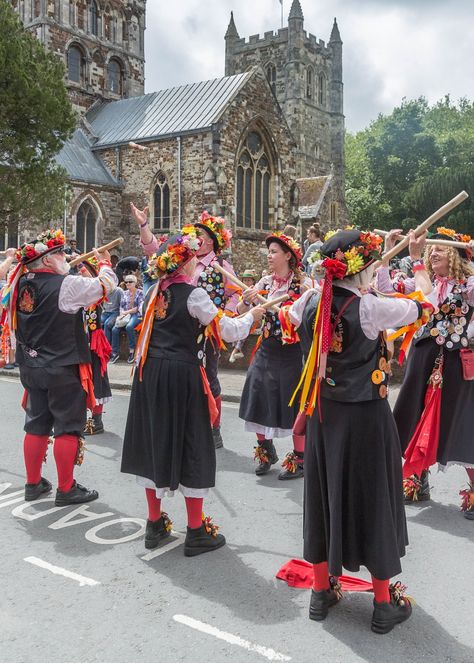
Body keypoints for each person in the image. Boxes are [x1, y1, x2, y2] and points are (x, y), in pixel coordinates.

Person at [291, 229, 433, 634]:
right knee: (375, 499)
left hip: (324, 416)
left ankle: (321, 591)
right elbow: (425, 303)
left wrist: (382, 261)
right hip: (367, 417)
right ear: (361, 267)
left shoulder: (311, 300)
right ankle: (384, 604)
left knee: (323, 492)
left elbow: (293, 324)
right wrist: (418, 262)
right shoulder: (370, 308)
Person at [120, 226, 264, 555]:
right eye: (191, 258)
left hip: (150, 374)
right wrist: (252, 316)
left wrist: (242, 305)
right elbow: (225, 329)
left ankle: (155, 524)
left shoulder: (154, 292)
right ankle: (196, 531)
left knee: (153, 440)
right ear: (184, 264)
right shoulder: (193, 294)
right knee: (194, 443)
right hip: (182, 375)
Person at [0, 229, 117, 505]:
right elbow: (105, 286)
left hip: (31, 366)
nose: (65, 256)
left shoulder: (17, 285)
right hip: (62, 366)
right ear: (49, 260)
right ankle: (66, 488)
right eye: (61, 253)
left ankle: (32, 483)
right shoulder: (67, 285)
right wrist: (105, 263)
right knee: (67, 427)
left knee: (36, 424)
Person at [377, 227, 474, 517]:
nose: (433, 253)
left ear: (455, 256)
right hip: (423, 357)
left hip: (455, 360)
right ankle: (417, 480)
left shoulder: (468, 285)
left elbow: (430, 296)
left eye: (440, 249)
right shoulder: (421, 282)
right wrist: (387, 251)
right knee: (413, 414)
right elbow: (385, 290)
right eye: (430, 250)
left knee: (458, 421)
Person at [130, 203, 240, 449]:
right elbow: (154, 251)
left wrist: (226, 313)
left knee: (209, 376)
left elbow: (235, 294)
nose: (195, 237)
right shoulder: (181, 257)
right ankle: (189, 422)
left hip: (207, 330)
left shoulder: (222, 266)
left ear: (211, 242)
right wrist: (143, 225)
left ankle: (214, 427)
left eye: (200, 235)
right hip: (180, 327)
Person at [238, 232, 312, 480]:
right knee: (258, 395)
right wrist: (248, 302)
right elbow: (240, 310)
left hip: (292, 351)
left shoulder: (303, 285)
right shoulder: (265, 284)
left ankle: (300, 460)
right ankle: (266, 451)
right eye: (268, 251)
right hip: (267, 347)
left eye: (274, 252)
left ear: (288, 255)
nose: (269, 256)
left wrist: (293, 310)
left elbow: (310, 316)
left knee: (292, 402)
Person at [78, 260, 113, 436]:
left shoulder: (97, 297)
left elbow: (105, 283)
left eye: (84, 273)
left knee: (96, 380)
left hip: (94, 345)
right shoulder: (77, 297)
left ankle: (96, 421)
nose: (81, 276)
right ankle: (82, 419)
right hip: (78, 345)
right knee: (80, 382)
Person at [110, 274, 143, 364]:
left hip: (136, 315)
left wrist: (126, 312)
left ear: (135, 283)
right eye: (126, 282)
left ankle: (132, 351)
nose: (128, 283)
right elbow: (121, 306)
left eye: (130, 281)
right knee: (114, 329)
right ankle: (115, 352)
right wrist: (121, 314)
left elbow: (138, 308)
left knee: (129, 327)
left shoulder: (140, 292)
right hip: (125, 315)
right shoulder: (124, 293)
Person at [229, 269, 258, 363]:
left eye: (249, 280)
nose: (247, 282)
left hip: (253, 318)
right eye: (245, 280)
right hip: (241, 316)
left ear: (253, 281)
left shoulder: (256, 292)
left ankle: (235, 350)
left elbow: (256, 307)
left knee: (245, 325)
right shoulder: (239, 291)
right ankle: (238, 350)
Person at [101, 284, 123, 351]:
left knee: (108, 324)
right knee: (97, 323)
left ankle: (107, 348)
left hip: (116, 312)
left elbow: (122, 304)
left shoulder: (118, 291)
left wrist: (121, 315)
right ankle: (99, 346)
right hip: (106, 311)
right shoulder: (103, 290)